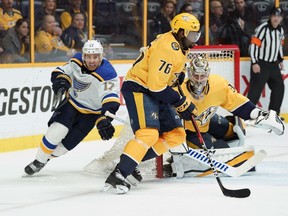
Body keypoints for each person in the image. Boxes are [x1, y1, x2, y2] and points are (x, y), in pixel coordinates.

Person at [102, 13, 201, 194]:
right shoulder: (167, 47)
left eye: (196, 35)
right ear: (180, 32)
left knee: (176, 135)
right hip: (139, 87)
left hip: (155, 90)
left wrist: (179, 89)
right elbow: (156, 87)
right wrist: (181, 103)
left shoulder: (179, 46)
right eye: (192, 34)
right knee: (148, 134)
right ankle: (119, 175)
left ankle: (131, 163)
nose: (195, 39)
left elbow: (168, 80)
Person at [164, 55, 285, 178]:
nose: (199, 80)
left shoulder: (218, 84)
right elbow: (165, 114)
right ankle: (176, 164)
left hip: (207, 120)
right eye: (196, 76)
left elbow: (237, 102)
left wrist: (259, 114)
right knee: (221, 148)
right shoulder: (178, 89)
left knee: (234, 131)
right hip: (189, 131)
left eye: (202, 76)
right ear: (189, 74)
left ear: (208, 74)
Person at [24, 40, 120, 176]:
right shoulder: (76, 61)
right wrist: (61, 79)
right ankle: (38, 162)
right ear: (83, 56)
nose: (92, 60)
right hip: (71, 104)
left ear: (101, 56)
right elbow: (62, 71)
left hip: (91, 114)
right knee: (56, 132)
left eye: (95, 57)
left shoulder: (107, 74)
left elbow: (110, 98)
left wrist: (104, 118)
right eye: (88, 56)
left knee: (63, 148)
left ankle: (45, 159)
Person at [247, 6, 285, 119]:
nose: (276, 18)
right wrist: (254, 63)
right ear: (270, 17)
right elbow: (253, 46)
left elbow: (278, 46)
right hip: (261, 64)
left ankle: (273, 115)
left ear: (281, 18)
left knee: (279, 88)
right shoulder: (262, 28)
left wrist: (281, 60)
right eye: (274, 16)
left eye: (278, 16)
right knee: (255, 91)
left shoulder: (280, 30)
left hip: (274, 65)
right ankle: (247, 115)